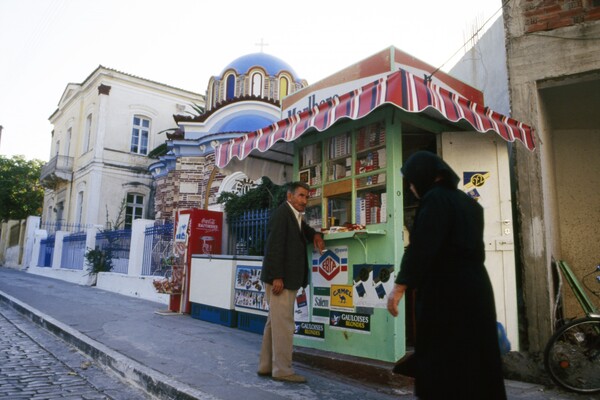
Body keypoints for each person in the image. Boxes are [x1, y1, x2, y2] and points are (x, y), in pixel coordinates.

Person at [387, 151, 506, 399]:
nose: (410, 187)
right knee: (476, 359)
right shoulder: (469, 203)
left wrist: (400, 287)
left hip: (446, 293)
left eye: (410, 181)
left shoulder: (434, 200)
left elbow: (422, 248)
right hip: (477, 289)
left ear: (421, 177)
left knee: (443, 362)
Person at [258, 181, 325, 383]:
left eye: (307, 196)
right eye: (301, 196)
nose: (304, 200)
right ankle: (283, 370)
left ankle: (266, 366)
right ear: (290, 196)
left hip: (283, 279)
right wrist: (277, 276)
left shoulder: (293, 214)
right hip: (281, 280)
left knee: (274, 324)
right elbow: (274, 247)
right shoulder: (282, 215)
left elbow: (303, 230)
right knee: (284, 325)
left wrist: (315, 235)